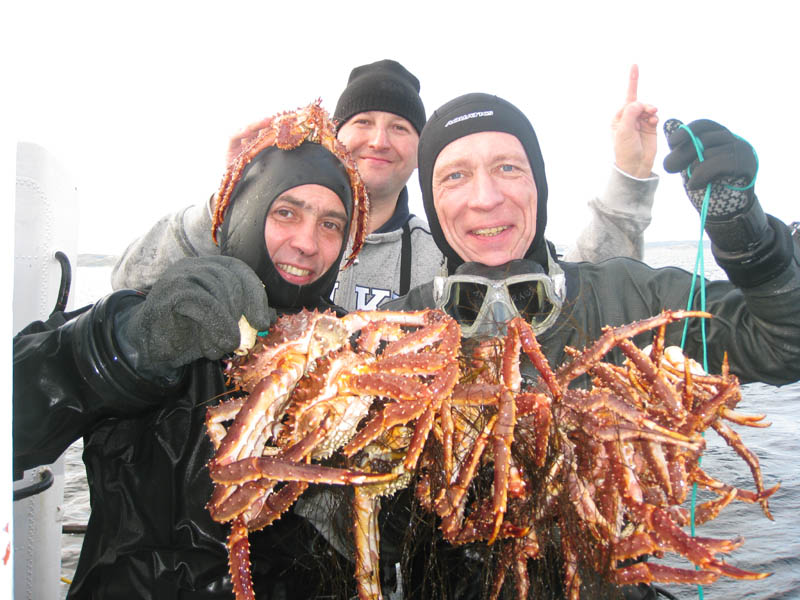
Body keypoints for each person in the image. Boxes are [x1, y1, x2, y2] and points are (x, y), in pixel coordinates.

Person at [381, 92, 800, 599]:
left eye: (508, 167)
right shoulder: (393, 334)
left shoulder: (627, 297)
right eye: (455, 175)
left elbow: (782, 346)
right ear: (431, 200)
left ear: (539, 185)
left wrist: (747, 236)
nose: (485, 197)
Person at [13, 107, 373, 598]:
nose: (307, 243)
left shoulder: (354, 352)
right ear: (243, 212)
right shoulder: (158, 311)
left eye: (331, 224)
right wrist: (126, 349)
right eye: (286, 212)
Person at [110, 62, 660, 310]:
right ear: (334, 135)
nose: (379, 140)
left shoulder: (450, 250)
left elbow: (583, 289)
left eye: (400, 127)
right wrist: (231, 204)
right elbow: (130, 284)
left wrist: (629, 180)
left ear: (422, 154)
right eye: (363, 122)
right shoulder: (271, 238)